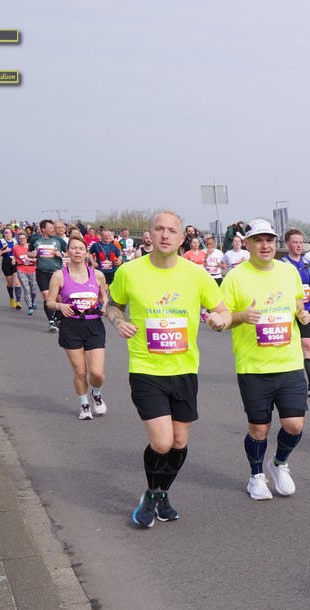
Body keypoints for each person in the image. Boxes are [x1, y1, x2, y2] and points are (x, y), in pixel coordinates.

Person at [104, 210, 231, 528]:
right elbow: (112, 305)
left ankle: (160, 494)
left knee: (179, 442)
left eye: (172, 230)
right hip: (146, 368)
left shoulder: (196, 275)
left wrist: (220, 319)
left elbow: (222, 310)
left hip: (184, 369)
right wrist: (118, 322)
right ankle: (151, 494)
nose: (164, 235)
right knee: (161, 442)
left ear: (181, 238)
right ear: (149, 234)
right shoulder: (129, 271)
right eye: (159, 229)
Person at [220, 219, 310, 500]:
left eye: (269, 240)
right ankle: (256, 476)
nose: (265, 245)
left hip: (290, 363)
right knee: (259, 428)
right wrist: (240, 316)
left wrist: (302, 313)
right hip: (253, 367)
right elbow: (223, 317)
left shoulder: (288, 272)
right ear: (247, 244)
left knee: (295, 425)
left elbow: (298, 302)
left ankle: (279, 464)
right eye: (258, 240)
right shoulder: (235, 277)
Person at [47, 234, 109, 420]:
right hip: (71, 325)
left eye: (81, 248)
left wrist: (105, 305)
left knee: (97, 373)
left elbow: (104, 297)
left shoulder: (97, 275)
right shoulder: (59, 276)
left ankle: (96, 393)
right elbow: (50, 301)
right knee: (80, 372)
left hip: (93, 325)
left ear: (86, 253)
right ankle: (84, 405)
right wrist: (60, 306)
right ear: (67, 251)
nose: (77, 251)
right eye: (73, 248)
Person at [281, 229, 310, 396]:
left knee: (307, 344)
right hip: (287, 313)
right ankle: (288, 382)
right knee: (288, 347)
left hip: (305, 310)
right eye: (295, 242)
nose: (299, 245)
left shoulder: (308, 264)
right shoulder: (282, 265)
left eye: (301, 242)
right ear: (288, 244)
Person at [32, 219, 68, 331]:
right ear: (43, 229)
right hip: (41, 272)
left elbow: (69, 252)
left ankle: (57, 318)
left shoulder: (58, 240)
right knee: (47, 297)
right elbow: (29, 252)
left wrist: (61, 254)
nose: (53, 230)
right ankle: (51, 321)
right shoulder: (35, 240)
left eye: (53, 228)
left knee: (60, 299)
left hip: (56, 273)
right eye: (51, 228)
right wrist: (32, 254)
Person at [14, 233, 39, 314]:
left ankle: (33, 301)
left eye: (23, 238)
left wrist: (31, 259)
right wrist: (13, 260)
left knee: (34, 290)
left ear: (26, 238)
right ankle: (30, 307)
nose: (22, 240)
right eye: (20, 238)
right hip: (21, 269)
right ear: (18, 239)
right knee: (26, 288)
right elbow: (15, 257)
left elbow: (38, 259)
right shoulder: (16, 248)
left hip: (32, 269)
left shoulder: (31, 248)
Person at [0, 226, 20, 309]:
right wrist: (4, 251)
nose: (8, 234)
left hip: (15, 262)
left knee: (17, 282)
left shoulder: (16, 241)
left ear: (12, 233)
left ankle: (18, 302)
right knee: (10, 283)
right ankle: (12, 298)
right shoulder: (0, 242)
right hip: (6, 262)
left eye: (9, 232)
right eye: (6, 233)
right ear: (3, 234)